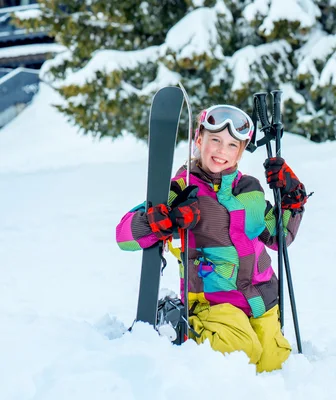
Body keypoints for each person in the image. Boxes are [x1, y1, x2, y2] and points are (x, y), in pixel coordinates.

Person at [115, 104, 309, 372]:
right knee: (240, 349)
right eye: (215, 140)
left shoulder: (249, 189)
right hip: (214, 301)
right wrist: (163, 219)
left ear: (240, 152)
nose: (221, 151)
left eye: (232, 145)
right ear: (198, 140)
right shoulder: (180, 188)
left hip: (261, 299)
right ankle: (174, 328)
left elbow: (278, 237)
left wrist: (292, 200)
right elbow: (124, 236)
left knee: (274, 363)